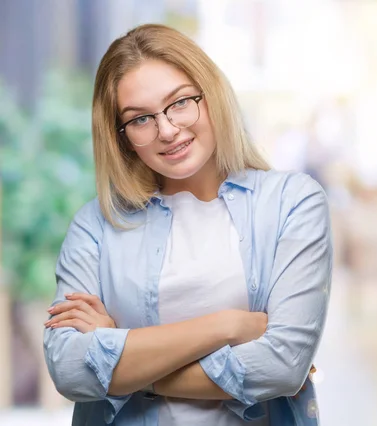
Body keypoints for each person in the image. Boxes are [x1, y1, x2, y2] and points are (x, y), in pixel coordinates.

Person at [43, 24, 332, 426]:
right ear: (122, 136)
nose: (166, 130)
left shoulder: (292, 203)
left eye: (179, 103)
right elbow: (70, 370)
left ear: (210, 94)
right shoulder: (96, 225)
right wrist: (227, 326)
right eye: (140, 118)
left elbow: (282, 366)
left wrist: (121, 362)